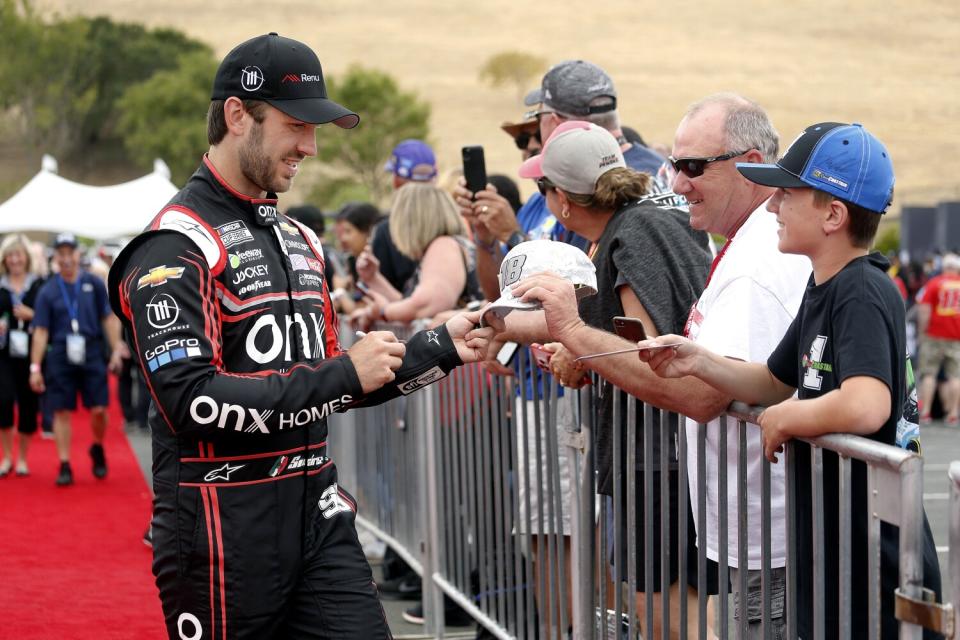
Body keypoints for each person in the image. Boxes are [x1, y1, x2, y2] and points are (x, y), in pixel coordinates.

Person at [106, 33, 491, 640]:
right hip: (221, 527)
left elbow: (331, 385)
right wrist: (342, 372)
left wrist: (441, 346)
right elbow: (189, 400)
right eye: (296, 126)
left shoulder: (299, 240)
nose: (310, 147)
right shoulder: (175, 244)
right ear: (238, 115)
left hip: (316, 507)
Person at [510, 93, 810, 636]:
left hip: (736, 503)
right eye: (674, 165)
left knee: (672, 615)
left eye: (693, 167)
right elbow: (690, 359)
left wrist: (578, 339)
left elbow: (695, 390)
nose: (676, 182)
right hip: (740, 506)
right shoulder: (741, 240)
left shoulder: (739, 257)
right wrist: (581, 347)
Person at [637, 122, 942, 638]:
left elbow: (867, 403)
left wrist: (789, 417)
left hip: (870, 552)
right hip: (832, 541)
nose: (772, 207)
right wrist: (697, 361)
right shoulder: (822, 287)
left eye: (785, 194)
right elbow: (772, 381)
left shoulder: (863, 290)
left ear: (833, 214)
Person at [499, 120, 713, 637]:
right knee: (681, 593)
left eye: (542, 188)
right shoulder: (653, 214)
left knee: (657, 598)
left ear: (563, 202)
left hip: (654, 452)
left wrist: (584, 358)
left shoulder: (628, 236)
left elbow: (647, 355)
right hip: (676, 447)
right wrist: (500, 326)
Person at [30, 232, 122, 486]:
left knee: (100, 410)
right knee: (60, 410)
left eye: (71, 252)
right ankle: (64, 463)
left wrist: (115, 349)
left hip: (91, 351)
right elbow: (40, 331)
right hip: (60, 353)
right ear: (56, 257)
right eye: (62, 253)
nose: (67, 258)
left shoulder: (93, 283)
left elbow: (108, 318)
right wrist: (35, 367)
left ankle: (97, 446)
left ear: (78, 254)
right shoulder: (48, 290)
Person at [352, 182, 481, 326]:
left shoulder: (443, 246)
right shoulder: (444, 245)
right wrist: (373, 278)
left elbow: (426, 305)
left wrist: (384, 311)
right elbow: (409, 303)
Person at [0, 234, 45, 476]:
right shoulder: (0, 286)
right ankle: (6, 456)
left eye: (18, 255)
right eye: (10, 255)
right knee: (4, 402)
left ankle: (23, 458)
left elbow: (48, 318)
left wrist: (32, 315)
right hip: (4, 354)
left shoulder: (38, 285)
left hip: (31, 354)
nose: (15, 259)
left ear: (26, 258)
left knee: (28, 406)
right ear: (4, 259)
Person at [368, 139, 437, 292]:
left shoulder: (387, 230)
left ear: (397, 181)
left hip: (400, 312)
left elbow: (378, 294)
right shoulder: (456, 221)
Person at [916, 252, 960, 424]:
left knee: (929, 374)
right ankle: (953, 413)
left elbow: (924, 309)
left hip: (934, 335)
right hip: (956, 337)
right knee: (955, 376)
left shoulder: (934, 283)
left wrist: (923, 331)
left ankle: (926, 412)